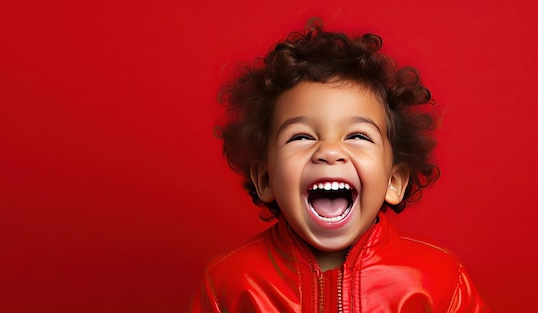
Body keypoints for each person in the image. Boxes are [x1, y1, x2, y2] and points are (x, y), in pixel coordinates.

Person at [190, 19, 490, 312]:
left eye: (358, 135)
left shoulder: (439, 282)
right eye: (302, 136)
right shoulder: (229, 283)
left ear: (394, 181)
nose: (330, 151)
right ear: (266, 179)